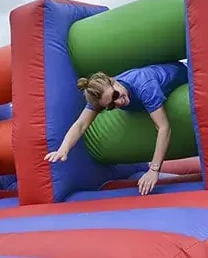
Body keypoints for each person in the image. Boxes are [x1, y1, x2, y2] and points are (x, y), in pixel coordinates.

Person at [44, 62, 188, 196]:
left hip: (184, 73)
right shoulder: (104, 96)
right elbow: (81, 124)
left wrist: (154, 170)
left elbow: (163, 127)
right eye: (111, 105)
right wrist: (63, 149)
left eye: (116, 95)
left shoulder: (144, 85)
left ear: (113, 81)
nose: (119, 102)